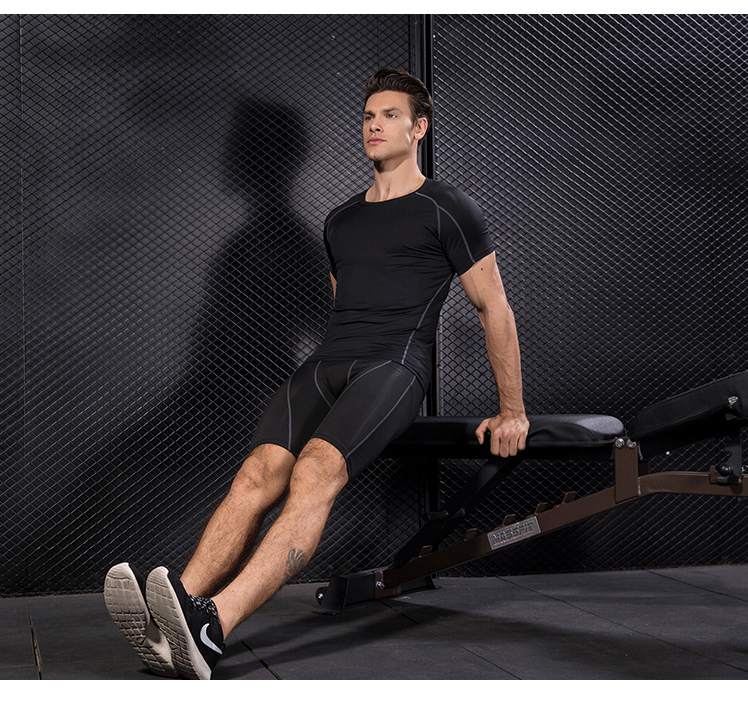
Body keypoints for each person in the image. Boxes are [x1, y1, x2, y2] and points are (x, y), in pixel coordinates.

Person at [103, 68, 530, 680]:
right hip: (328, 365)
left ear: (419, 127)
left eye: (389, 115)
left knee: (316, 470)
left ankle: (214, 624)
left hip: (393, 368)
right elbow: (336, 307)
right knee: (256, 473)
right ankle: (170, 613)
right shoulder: (340, 221)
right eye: (367, 117)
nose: (375, 125)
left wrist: (511, 409)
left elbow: (494, 307)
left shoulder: (449, 209)